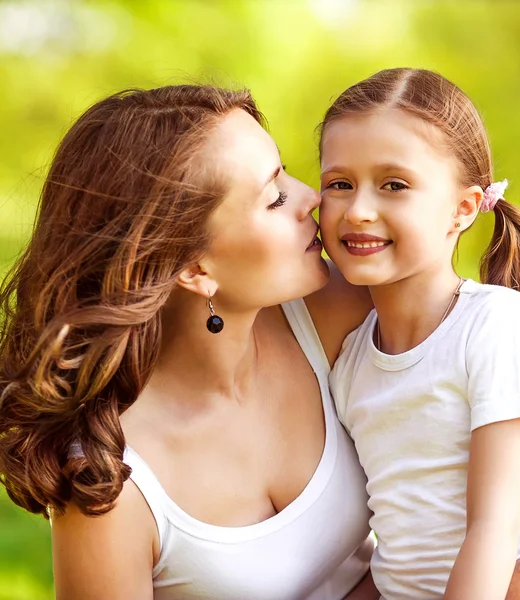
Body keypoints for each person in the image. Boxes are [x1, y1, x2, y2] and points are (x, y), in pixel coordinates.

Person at [0, 85, 377, 600]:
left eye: (284, 170)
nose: (311, 196)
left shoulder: (337, 312)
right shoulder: (113, 484)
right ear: (195, 268)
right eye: (275, 197)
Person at [318, 67, 520, 600]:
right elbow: (398, 547)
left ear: (464, 208)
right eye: (339, 184)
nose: (358, 210)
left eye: (394, 185)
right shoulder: (353, 358)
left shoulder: (496, 326)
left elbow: (492, 531)